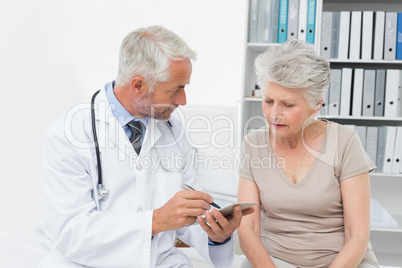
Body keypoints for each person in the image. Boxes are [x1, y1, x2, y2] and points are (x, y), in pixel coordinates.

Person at [35, 25, 243, 268]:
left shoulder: (172, 130)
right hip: (83, 262)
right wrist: (155, 221)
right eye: (176, 89)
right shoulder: (70, 133)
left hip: (160, 260)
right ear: (138, 86)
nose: (183, 101)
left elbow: (188, 215)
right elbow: (71, 232)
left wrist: (216, 235)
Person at [237, 39, 380, 268]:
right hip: (274, 262)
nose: (274, 114)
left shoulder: (344, 141)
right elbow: (248, 229)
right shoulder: (253, 144)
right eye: (268, 101)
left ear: (316, 105)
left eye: (288, 105)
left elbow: (357, 235)